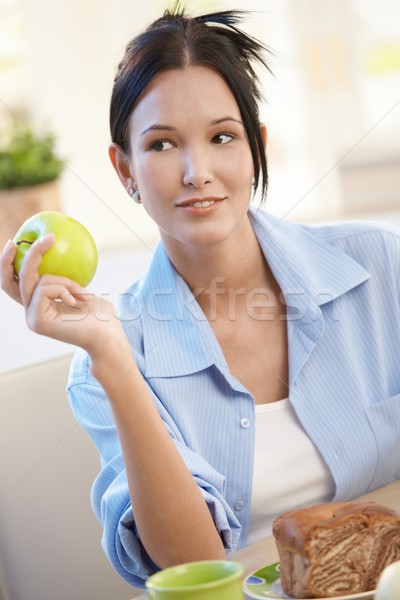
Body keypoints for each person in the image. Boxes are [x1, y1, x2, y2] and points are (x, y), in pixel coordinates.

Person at [1, 5, 400, 590]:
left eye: (222, 136)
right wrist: (112, 357)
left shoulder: (378, 266)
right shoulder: (104, 363)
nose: (197, 170)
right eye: (162, 145)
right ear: (124, 169)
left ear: (255, 146)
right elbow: (189, 569)